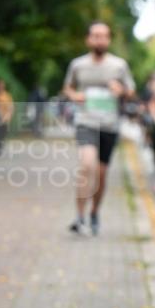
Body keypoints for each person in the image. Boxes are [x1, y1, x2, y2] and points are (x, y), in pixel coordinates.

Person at [63, 21, 136, 236]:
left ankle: (95, 212)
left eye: (104, 36)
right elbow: (67, 88)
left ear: (109, 39)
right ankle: (79, 215)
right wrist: (74, 95)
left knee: (102, 174)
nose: (99, 40)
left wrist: (121, 90)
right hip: (86, 121)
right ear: (88, 39)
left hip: (109, 124)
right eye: (95, 35)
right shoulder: (78, 65)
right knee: (87, 165)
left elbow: (131, 91)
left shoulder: (119, 65)